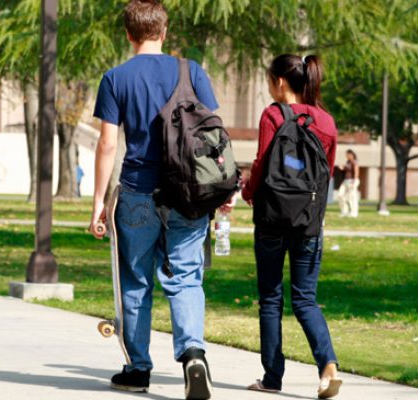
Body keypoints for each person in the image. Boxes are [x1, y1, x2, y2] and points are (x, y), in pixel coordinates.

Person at [88, 1, 222, 398]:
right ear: (164, 32)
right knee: (185, 276)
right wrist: (220, 189)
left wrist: (98, 201)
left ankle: (138, 368)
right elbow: (212, 135)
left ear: (128, 34)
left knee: (136, 279)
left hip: (136, 192)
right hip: (188, 192)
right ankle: (193, 354)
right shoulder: (191, 71)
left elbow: (108, 144)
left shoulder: (115, 78)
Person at [241, 54, 341, 399]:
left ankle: (272, 377)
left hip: (271, 218)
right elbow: (326, 173)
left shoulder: (273, 114)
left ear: (279, 82)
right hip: (309, 222)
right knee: (305, 300)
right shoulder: (327, 121)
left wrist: (247, 191)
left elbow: (262, 161)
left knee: (271, 298)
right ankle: (327, 364)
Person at [337, 150, 359, 218]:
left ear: (351, 154)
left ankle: (354, 212)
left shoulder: (354, 162)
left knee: (352, 197)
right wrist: (342, 168)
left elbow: (356, 172)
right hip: (346, 181)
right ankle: (344, 211)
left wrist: (354, 181)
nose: (346, 156)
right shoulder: (348, 162)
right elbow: (345, 169)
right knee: (340, 195)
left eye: (347, 154)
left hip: (352, 181)